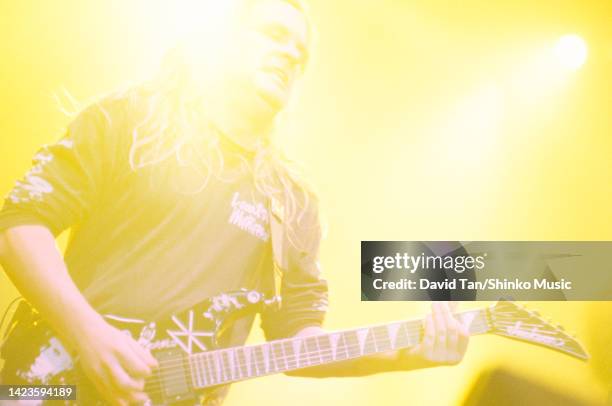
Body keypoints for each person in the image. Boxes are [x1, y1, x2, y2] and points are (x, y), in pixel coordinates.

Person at [0, 0, 470, 404]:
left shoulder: (293, 201)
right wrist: (88, 334)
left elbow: (300, 342)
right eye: (274, 34)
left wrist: (408, 354)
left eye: (301, 54)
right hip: (45, 380)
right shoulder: (129, 118)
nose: (290, 53)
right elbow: (19, 223)